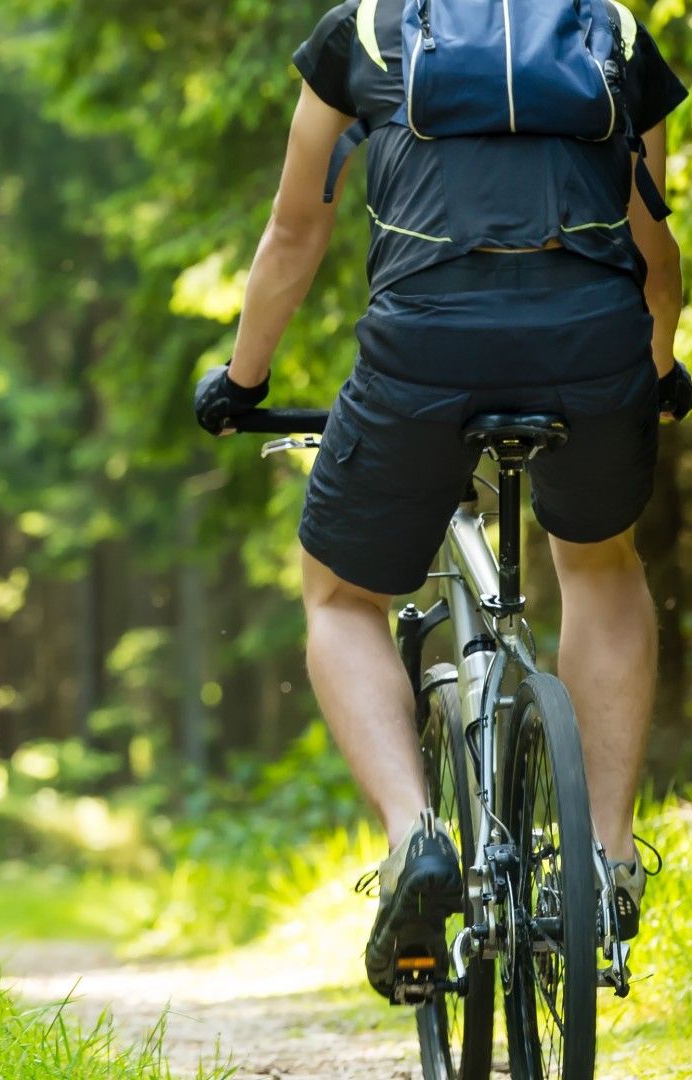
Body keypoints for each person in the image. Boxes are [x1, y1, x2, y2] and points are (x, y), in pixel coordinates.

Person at [194, 0, 688, 1002]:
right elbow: (654, 249)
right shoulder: (616, 33)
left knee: (339, 595)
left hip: (425, 353)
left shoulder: (365, 32)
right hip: (592, 348)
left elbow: (297, 232)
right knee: (598, 563)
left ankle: (415, 840)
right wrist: (661, 364)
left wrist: (242, 382)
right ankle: (605, 864)